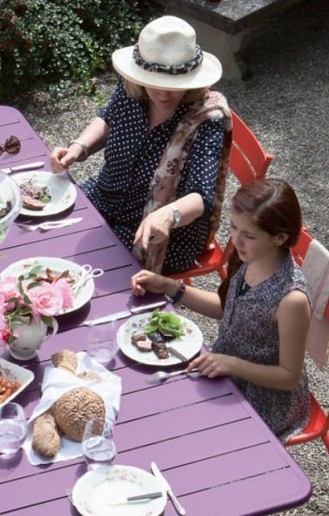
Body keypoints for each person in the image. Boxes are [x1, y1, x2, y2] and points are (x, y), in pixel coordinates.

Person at [131, 179, 311, 441]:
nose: (236, 240)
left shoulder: (292, 299)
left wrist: (232, 364)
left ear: (280, 237)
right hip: (224, 367)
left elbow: (288, 377)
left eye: (249, 235)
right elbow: (225, 308)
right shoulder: (251, 257)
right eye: (234, 227)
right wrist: (170, 287)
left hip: (263, 399)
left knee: (181, 428)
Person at [50, 15, 232, 275]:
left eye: (174, 86)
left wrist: (170, 215)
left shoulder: (206, 118)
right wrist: (78, 148)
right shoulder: (131, 87)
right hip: (106, 194)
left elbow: (201, 197)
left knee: (83, 271)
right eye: (154, 84)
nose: (163, 94)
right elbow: (108, 119)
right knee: (50, 230)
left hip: (155, 232)